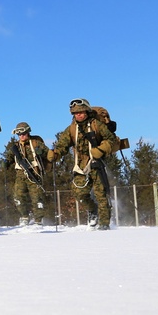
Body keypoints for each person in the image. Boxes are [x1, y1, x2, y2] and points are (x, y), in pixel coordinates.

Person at [48, 98, 120, 230]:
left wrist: (101, 149)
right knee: (79, 193)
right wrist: (56, 154)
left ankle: (104, 225)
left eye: (80, 112)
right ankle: (93, 211)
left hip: (97, 162)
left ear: (86, 111)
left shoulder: (97, 124)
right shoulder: (71, 129)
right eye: (75, 113)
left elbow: (111, 140)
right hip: (81, 165)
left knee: (101, 195)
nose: (78, 115)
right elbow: (62, 144)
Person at [5, 122, 49, 226]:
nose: (22, 136)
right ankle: (24, 216)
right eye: (19, 134)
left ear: (28, 132)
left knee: (37, 197)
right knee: (18, 197)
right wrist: (5, 163)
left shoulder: (35, 143)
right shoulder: (16, 146)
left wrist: (41, 153)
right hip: (20, 174)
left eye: (23, 133)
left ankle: (38, 220)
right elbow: (9, 157)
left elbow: (48, 154)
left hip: (34, 173)